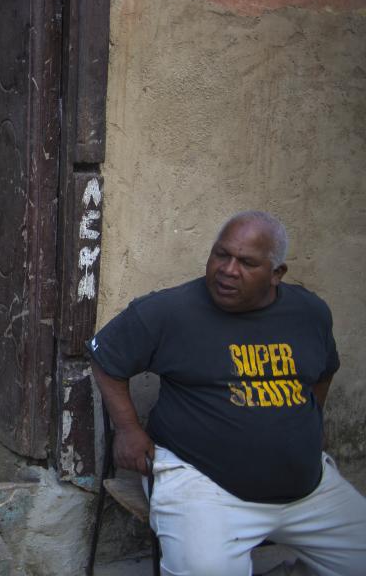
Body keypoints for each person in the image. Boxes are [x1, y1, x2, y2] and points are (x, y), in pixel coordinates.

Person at [88, 211, 366, 575]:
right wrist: (128, 429)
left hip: (308, 490)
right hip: (204, 485)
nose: (228, 270)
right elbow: (106, 358)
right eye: (221, 254)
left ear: (276, 274)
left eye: (247, 263)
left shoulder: (309, 313)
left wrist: (310, 424)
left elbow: (325, 371)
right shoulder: (169, 311)